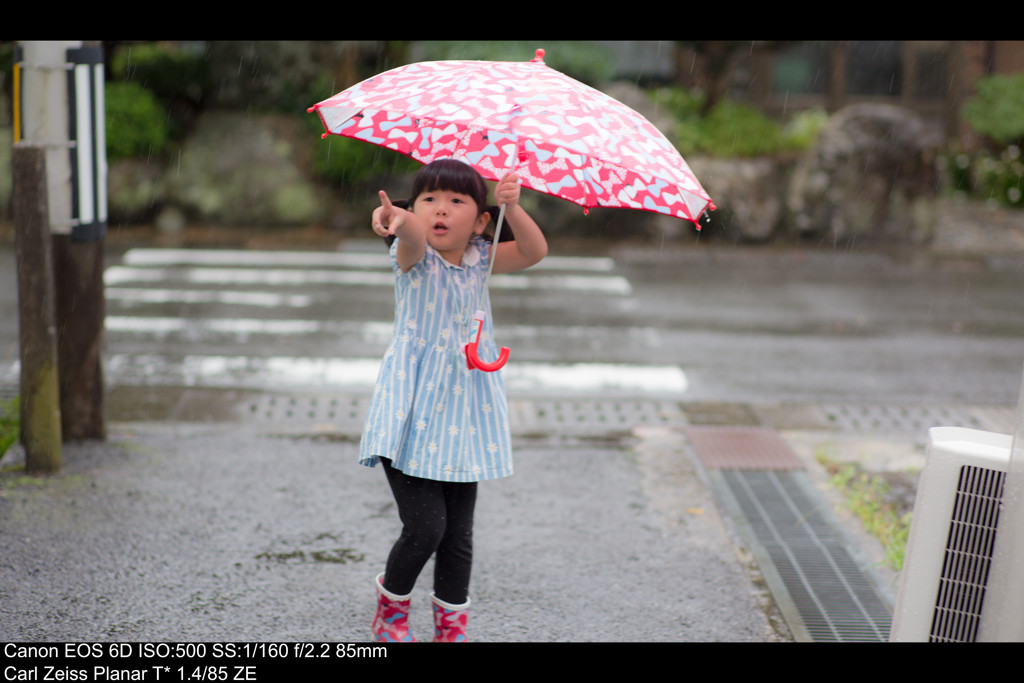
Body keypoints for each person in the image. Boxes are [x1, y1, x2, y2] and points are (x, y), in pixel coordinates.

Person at [360, 158, 547, 642]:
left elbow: (534, 251)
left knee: (458, 534)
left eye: (457, 201)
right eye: (429, 199)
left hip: (464, 412)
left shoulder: (482, 259)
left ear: (482, 221)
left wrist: (513, 207)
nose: (440, 209)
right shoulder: (413, 256)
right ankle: (391, 609)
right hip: (411, 410)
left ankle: (451, 628)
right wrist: (401, 223)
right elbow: (414, 239)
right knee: (426, 527)